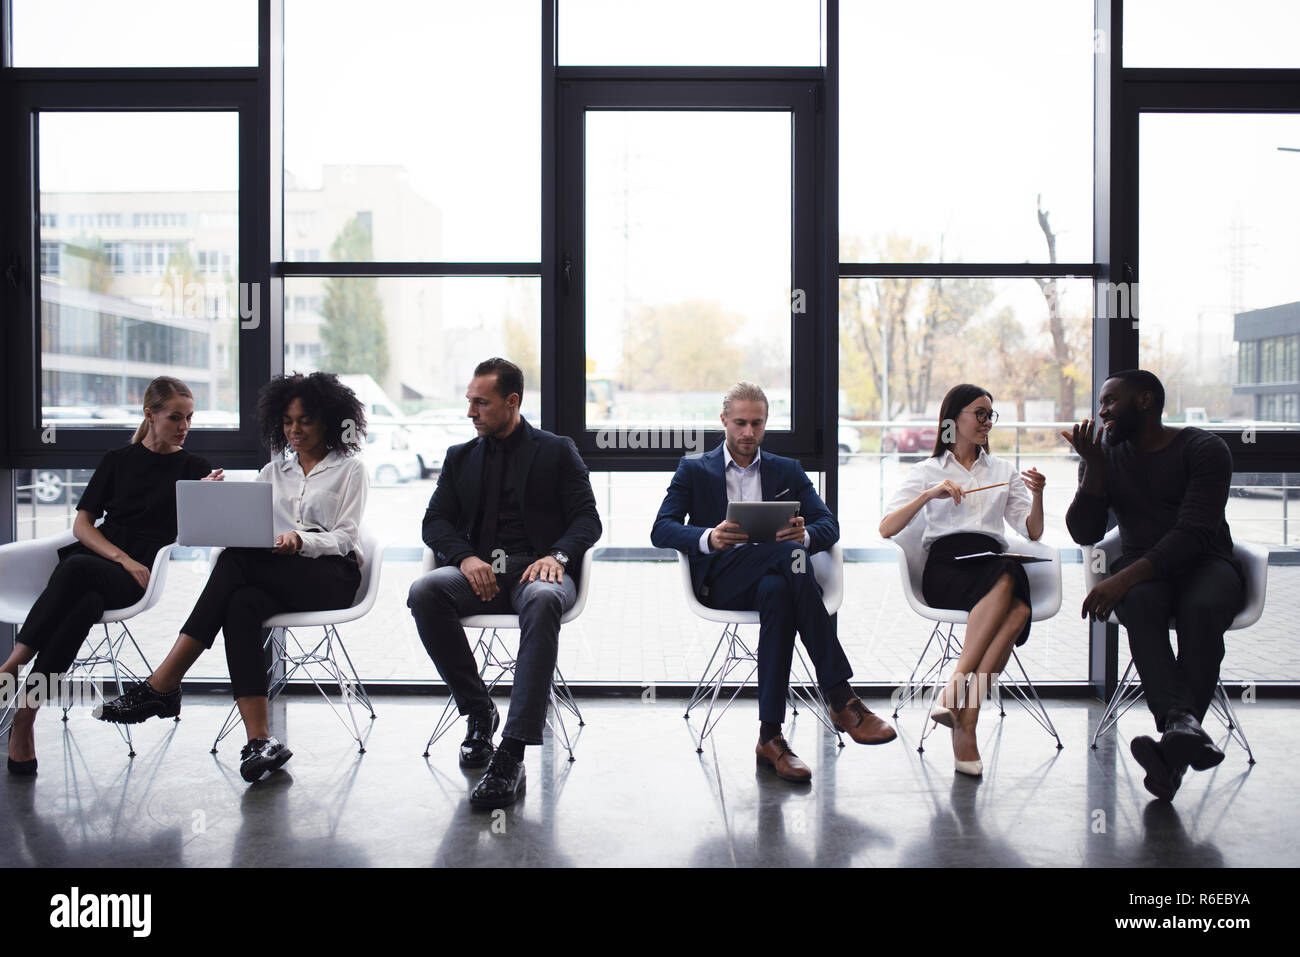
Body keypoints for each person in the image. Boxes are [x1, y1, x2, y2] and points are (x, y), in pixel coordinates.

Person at [96, 372, 370, 784]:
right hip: (276, 573)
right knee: (241, 603)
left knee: (235, 565)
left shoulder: (350, 470)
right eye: (288, 421)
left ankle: (163, 683)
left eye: (306, 421)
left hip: (332, 576)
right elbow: (251, 530)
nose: (294, 430)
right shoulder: (272, 471)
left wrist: (300, 541)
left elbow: (346, 537)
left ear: (329, 421)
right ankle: (260, 740)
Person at [652, 381, 895, 785]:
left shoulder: (787, 470)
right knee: (791, 560)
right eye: (741, 423)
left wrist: (804, 535)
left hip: (777, 578)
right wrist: (708, 537)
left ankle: (770, 738)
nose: (749, 433)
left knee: (780, 589)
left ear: (766, 424)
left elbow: (828, 525)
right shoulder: (694, 468)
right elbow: (661, 529)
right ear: (724, 422)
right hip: (723, 580)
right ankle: (839, 694)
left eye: (758, 424)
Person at [0, 377, 220, 774]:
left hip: (138, 577)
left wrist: (205, 498)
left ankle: (12, 665)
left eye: (189, 418)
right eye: (175, 417)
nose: (184, 426)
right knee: (83, 601)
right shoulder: (117, 460)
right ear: (150, 415)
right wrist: (121, 558)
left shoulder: (195, 469)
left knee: (76, 567)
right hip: (105, 561)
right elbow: (83, 526)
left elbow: (193, 538)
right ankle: (25, 717)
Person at [409, 358, 601, 809]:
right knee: (424, 592)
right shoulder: (460, 458)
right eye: (469, 401)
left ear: (512, 402)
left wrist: (557, 556)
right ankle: (479, 712)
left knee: (541, 600)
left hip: (539, 571)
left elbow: (587, 519)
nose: (470, 412)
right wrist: (466, 557)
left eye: (481, 402)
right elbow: (434, 521)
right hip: (480, 574)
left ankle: (511, 754)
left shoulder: (557, 450)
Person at [1063, 369, 1243, 802]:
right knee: (1141, 602)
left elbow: (1193, 534)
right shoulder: (1106, 452)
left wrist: (1118, 579)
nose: (1101, 410)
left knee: (1199, 609)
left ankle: (1171, 747)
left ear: (1146, 401)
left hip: (1206, 562)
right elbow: (1084, 531)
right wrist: (1097, 470)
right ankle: (1181, 734)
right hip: (1144, 571)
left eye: (1110, 401)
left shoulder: (1204, 449)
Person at [879, 383, 1045, 776]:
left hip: (990, 562)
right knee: (1011, 587)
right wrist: (928, 496)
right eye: (980, 414)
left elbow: (1032, 532)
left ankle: (964, 717)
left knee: (1018, 603)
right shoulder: (926, 471)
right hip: (947, 568)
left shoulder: (1003, 471)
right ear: (953, 420)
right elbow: (886, 527)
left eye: (991, 415)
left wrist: (1038, 496)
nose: (988, 422)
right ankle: (959, 701)